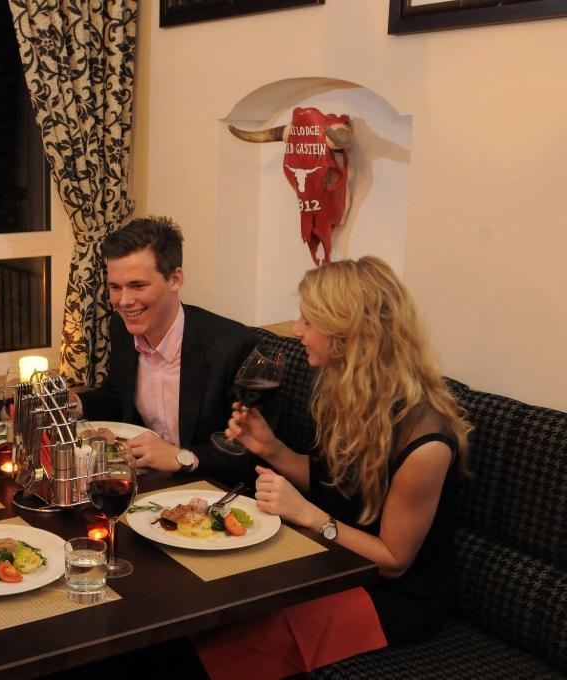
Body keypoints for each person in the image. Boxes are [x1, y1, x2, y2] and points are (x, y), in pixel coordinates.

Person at [199, 256, 472, 678]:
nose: (296, 330)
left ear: (349, 333)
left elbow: (394, 560)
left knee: (233, 650)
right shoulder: (348, 392)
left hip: (395, 595)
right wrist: (270, 448)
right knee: (214, 613)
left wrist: (308, 515)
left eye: (309, 320)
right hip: (336, 563)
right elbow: (334, 484)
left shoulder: (425, 443)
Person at [76, 216, 258, 481]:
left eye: (138, 285)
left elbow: (249, 454)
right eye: (115, 287)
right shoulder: (122, 328)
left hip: (209, 488)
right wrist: (77, 403)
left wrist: (182, 457)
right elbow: (118, 398)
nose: (124, 301)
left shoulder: (233, 347)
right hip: (144, 482)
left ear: (175, 279)